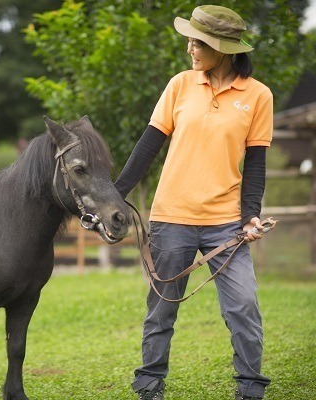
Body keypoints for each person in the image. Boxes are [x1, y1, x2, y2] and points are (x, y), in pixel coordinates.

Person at [114, 5, 272, 400]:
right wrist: (116, 193)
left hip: (227, 223)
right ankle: (149, 385)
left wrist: (251, 215)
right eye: (190, 39)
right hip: (172, 217)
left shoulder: (258, 95)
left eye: (199, 42)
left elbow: (256, 164)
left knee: (243, 306)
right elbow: (148, 145)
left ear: (225, 49)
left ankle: (251, 387)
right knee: (162, 308)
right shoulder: (180, 85)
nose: (190, 48)